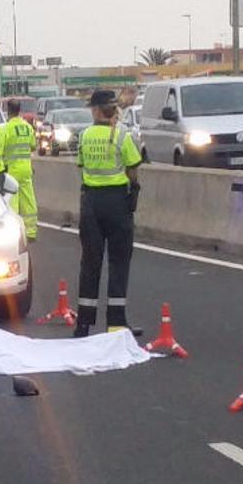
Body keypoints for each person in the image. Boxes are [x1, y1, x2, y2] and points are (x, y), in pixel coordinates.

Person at [73, 90, 144, 338]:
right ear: (113, 110)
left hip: (90, 203)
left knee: (90, 263)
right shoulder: (122, 135)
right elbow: (133, 168)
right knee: (118, 263)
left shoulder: (84, 136)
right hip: (116, 203)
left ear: (95, 110)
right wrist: (133, 189)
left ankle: (83, 324)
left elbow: (81, 165)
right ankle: (115, 324)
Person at [3, 99, 39, 242]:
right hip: (26, 169)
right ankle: (31, 232)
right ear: (19, 110)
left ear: (8, 111)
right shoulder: (27, 127)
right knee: (29, 200)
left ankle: (16, 234)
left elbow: (3, 148)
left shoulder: (6, 128)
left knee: (13, 202)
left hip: (12, 170)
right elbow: (33, 146)